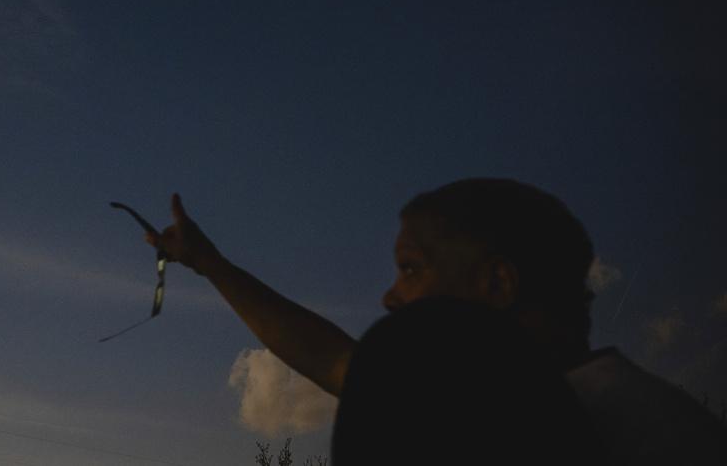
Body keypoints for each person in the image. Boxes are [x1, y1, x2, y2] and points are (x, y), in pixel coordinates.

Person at [146, 179, 727, 464]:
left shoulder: (655, 434)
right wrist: (210, 265)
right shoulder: (458, 400)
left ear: (496, 284)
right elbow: (328, 357)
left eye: (411, 269)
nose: (390, 298)